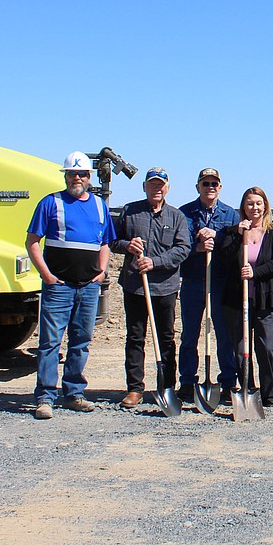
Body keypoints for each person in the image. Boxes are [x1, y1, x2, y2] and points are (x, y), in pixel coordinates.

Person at [25, 151, 117, 420]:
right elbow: (32, 242)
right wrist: (47, 275)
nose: (77, 178)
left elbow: (104, 243)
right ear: (65, 176)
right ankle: (45, 397)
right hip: (59, 287)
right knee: (50, 342)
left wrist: (101, 273)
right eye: (72, 173)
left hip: (88, 287)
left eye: (82, 174)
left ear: (89, 177)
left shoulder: (99, 205)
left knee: (81, 341)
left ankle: (74, 393)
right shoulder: (50, 203)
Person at [111, 167, 191, 408]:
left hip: (165, 287)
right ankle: (135, 388)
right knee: (135, 337)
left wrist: (154, 262)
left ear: (167, 188)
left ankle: (166, 386)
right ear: (144, 187)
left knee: (166, 338)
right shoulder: (130, 211)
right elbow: (112, 240)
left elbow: (183, 249)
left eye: (161, 185)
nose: (156, 188)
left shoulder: (176, 216)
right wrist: (128, 245)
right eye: (152, 184)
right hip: (135, 286)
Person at [177, 168, 239, 404]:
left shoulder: (230, 215)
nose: (210, 187)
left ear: (220, 187)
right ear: (198, 187)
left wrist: (220, 237)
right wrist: (197, 247)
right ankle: (187, 381)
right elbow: (179, 246)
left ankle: (227, 381)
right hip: (194, 280)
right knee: (190, 333)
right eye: (206, 183)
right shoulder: (184, 213)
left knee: (224, 333)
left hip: (220, 281)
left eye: (214, 183)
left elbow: (235, 247)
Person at [220, 187, 273, 405]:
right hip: (237, 299)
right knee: (241, 349)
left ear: (265, 206)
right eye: (250, 203)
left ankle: (269, 391)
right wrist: (239, 235)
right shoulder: (233, 232)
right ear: (243, 207)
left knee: (267, 347)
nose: (254, 208)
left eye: (258, 203)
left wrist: (254, 273)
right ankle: (247, 388)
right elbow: (225, 260)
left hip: (266, 297)